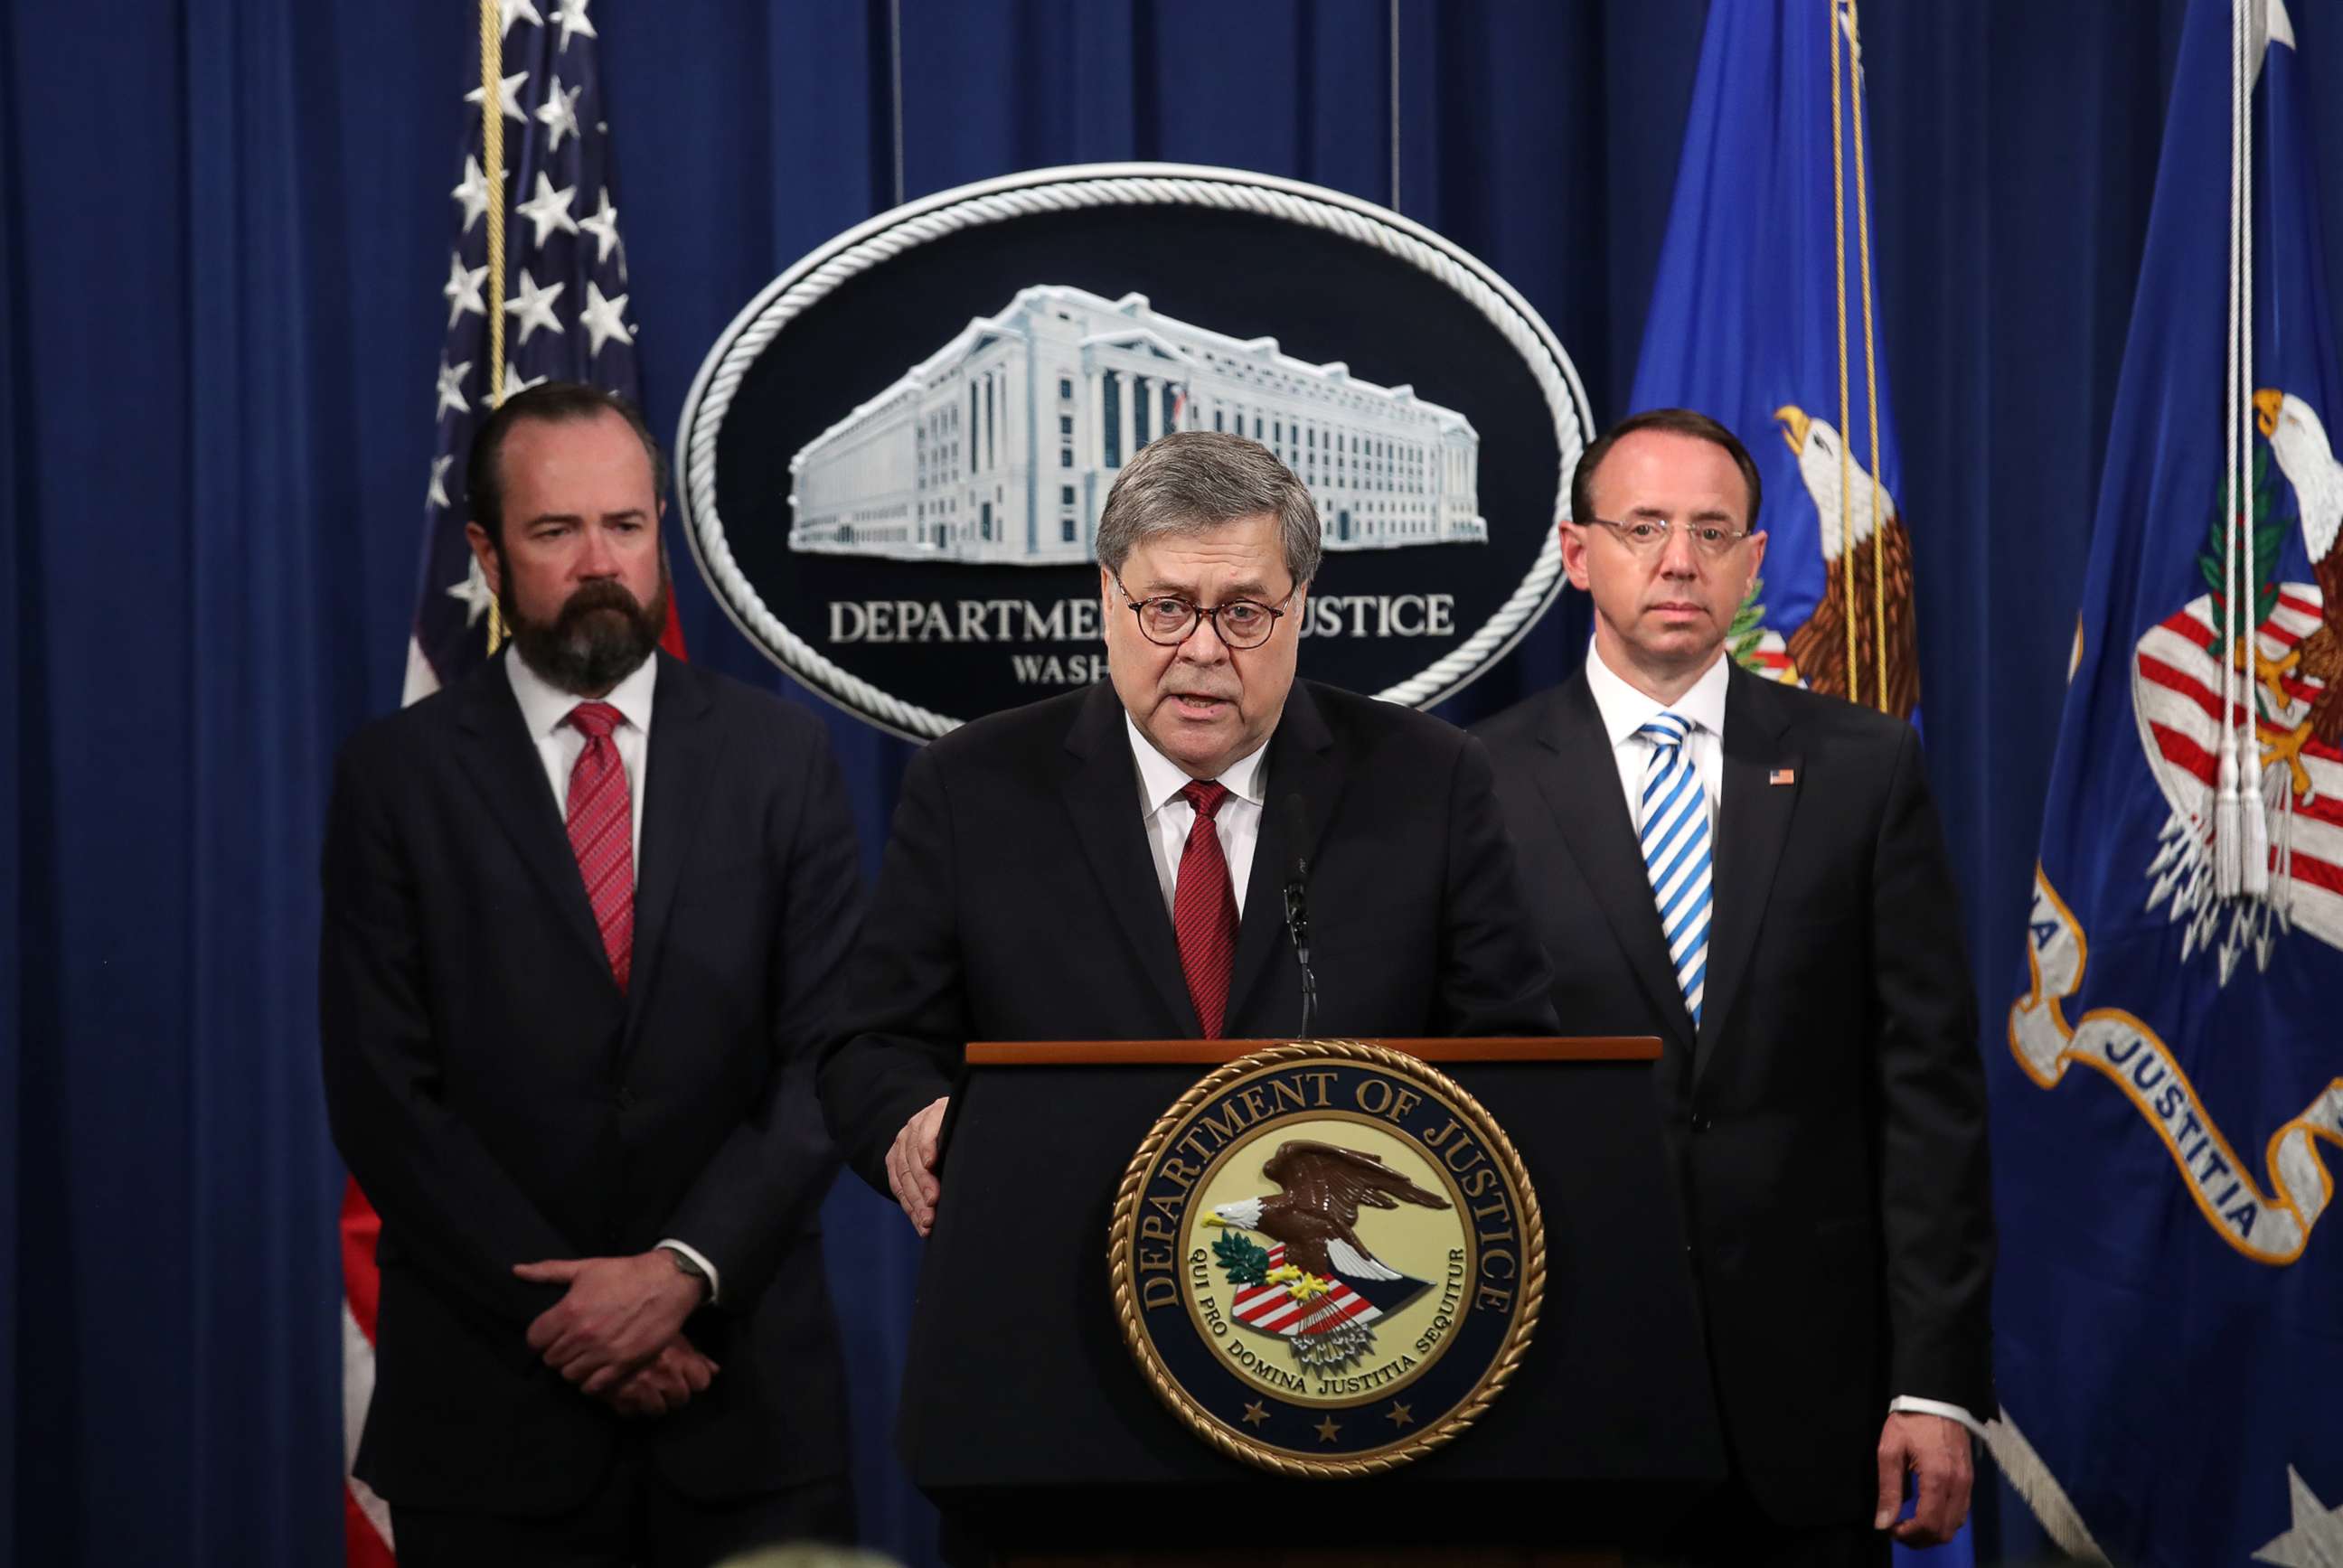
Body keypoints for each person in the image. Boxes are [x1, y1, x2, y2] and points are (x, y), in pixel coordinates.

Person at [321, 383, 860, 1565]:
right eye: (555, 531)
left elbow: (827, 1059)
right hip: (493, 1405)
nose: (599, 560)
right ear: (487, 549)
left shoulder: (782, 759)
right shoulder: (395, 777)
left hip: (746, 1399)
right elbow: (382, 1091)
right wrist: (576, 1315)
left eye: (625, 523)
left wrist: (681, 1271)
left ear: (662, 529)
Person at [1474, 408, 1992, 1564]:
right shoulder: (1473, 784)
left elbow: (1930, 1101)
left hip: (1818, 1420)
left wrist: (1936, 1386)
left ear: (1757, 562)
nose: (1678, 561)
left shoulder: (1865, 768)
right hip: (1554, 1402)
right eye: (1644, 526)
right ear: (1576, 554)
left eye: (1713, 532)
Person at [817, 429, 1557, 1234]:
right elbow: (872, 1047)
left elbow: (1511, 1054)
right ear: (1108, 596)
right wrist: (912, 1124)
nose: (1202, 649)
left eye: (1244, 612)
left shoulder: (1428, 780)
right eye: (1166, 607)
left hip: (1330, 1290)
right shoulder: (973, 787)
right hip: (1053, 1273)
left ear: (1300, 604)